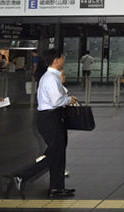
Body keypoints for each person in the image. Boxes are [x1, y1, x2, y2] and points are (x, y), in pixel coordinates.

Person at [24, 49, 76, 197]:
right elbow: (56, 101)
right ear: (56, 60)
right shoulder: (51, 78)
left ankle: (57, 187)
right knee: (55, 153)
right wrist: (69, 100)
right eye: (62, 58)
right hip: (50, 118)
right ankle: (23, 176)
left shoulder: (51, 77)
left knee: (57, 152)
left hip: (51, 117)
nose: (64, 60)